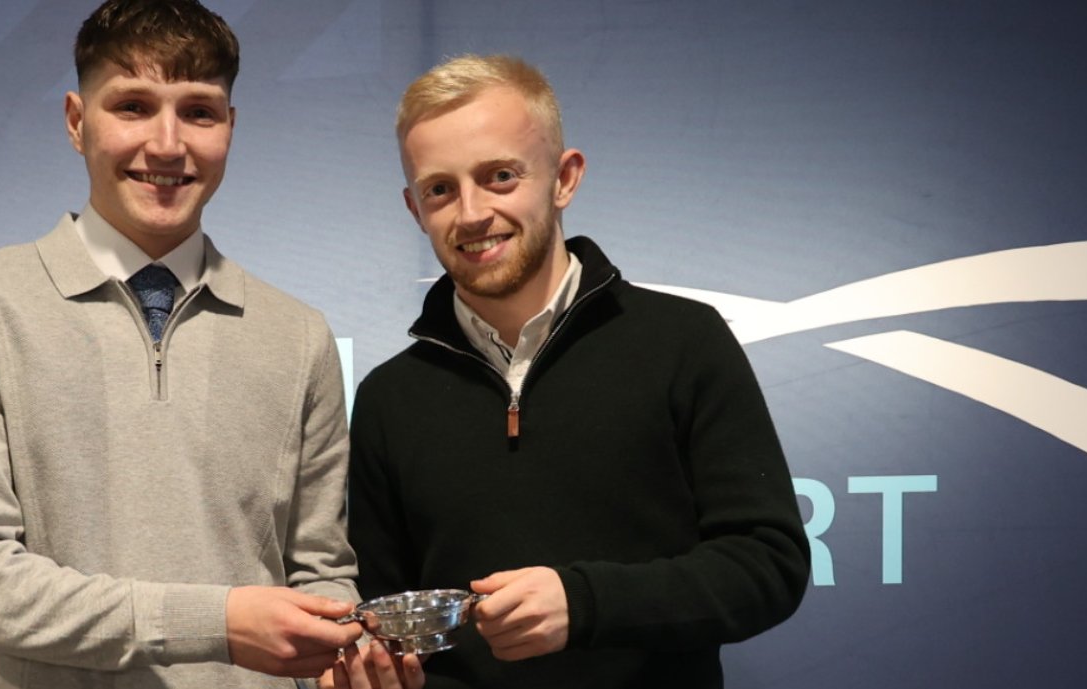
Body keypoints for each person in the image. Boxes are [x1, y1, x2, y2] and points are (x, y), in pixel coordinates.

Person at [0, 1, 371, 686]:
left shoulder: (298, 333)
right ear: (76, 121)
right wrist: (215, 622)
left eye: (199, 111)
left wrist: (348, 654)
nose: (166, 143)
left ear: (231, 129)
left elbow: (321, 573)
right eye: (133, 106)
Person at [346, 54, 811, 688]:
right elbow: (385, 617)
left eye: (500, 175)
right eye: (440, 189)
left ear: (564, 178)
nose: (472, 212)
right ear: (413, 207)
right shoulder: (387, 398)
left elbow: (768, 566)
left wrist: (586, 604)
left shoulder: (682, 340)